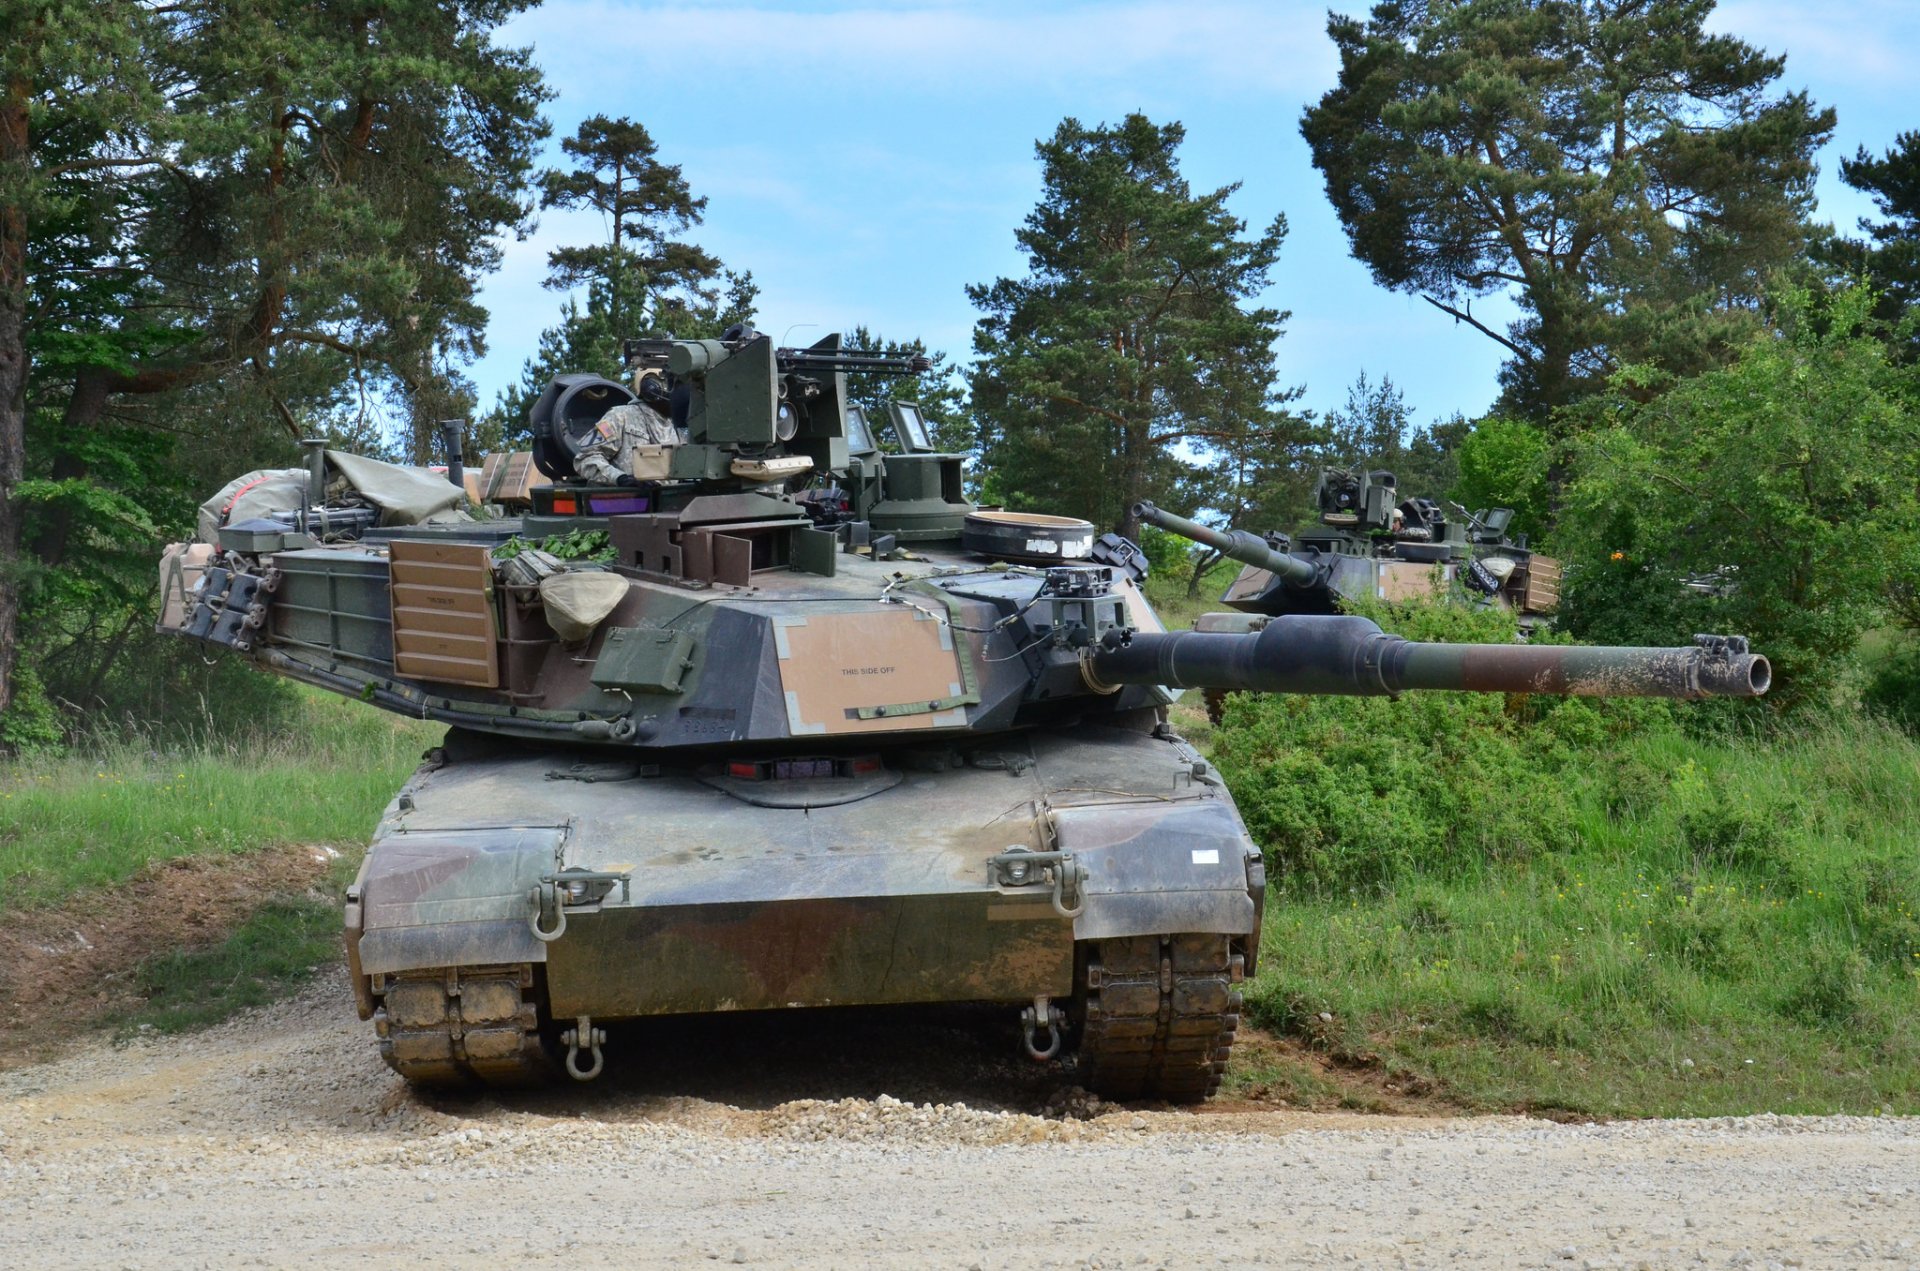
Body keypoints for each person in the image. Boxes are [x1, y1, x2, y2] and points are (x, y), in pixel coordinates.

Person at [573, 384, 679, 487]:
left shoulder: (674, 427)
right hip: (622, 500)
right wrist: (620, 478)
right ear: (653, 389)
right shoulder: (619, 416)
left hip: (668, 500)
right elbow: (586, 457)